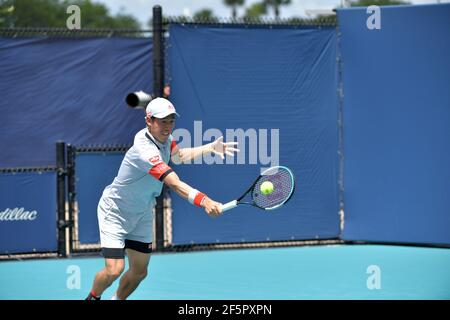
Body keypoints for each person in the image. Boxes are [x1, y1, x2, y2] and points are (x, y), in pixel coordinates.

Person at [85, 97, 239, 300]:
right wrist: (205, 201)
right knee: (114, 269)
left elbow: (178, 156)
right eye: (162, 121)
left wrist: (210, 148)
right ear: (148, 120)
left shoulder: (166, 139)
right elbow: (174, 183)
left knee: (140, 272)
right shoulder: (144, 150)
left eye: (171, 121)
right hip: (116, 212)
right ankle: (92, 297)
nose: (167, 126)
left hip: (141, 212)